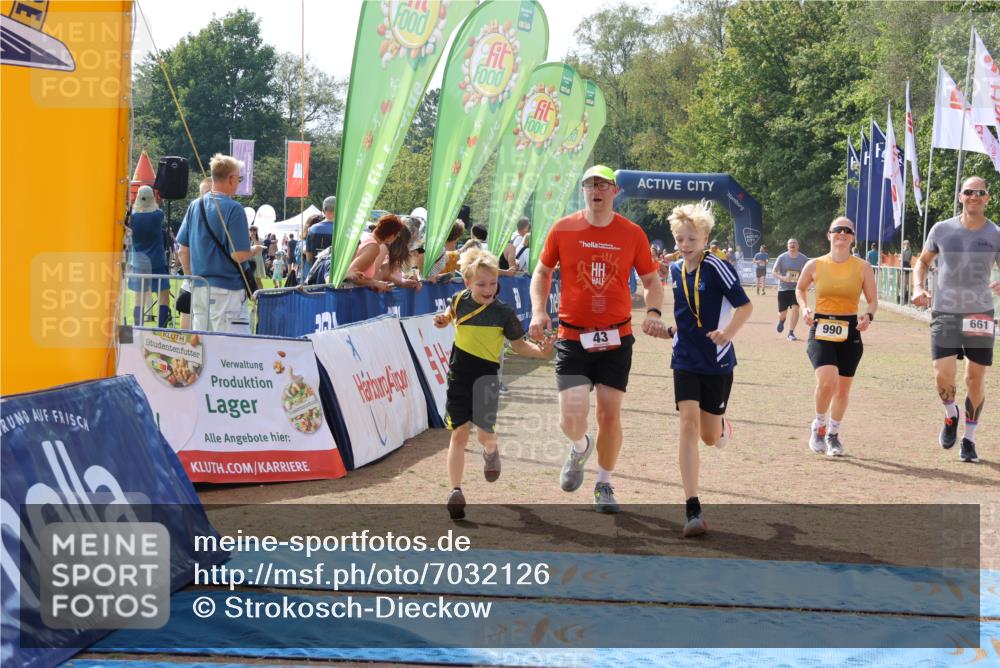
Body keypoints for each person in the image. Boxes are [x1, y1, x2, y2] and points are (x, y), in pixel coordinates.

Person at [528, 165, 666, 513]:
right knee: (570, 419)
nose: (597, 190)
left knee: (609, 415)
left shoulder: (632, 233)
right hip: (573, 338)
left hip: (616, 338)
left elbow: (651, 281)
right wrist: (537, 311)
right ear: (583, 191)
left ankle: (604, 483)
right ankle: (579, 447)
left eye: (604, 185)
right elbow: (542, 272)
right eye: (591, 185)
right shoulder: (563, 228)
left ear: (615, 192)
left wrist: (652, 313)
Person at [436, 247, 554, 520]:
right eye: (481, 284)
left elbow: (519, 345)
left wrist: (541, 353)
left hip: (487, 378)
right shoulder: (459, 301)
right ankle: (455, 490)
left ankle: (491, 451)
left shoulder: (503, 313)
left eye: (493, 283)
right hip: (459, 376)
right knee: (459, 433)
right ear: (467, 283)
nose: (489, 289)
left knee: (484, 433)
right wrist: (442, 320)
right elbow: (448, 315)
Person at [660, 201, 753, 538]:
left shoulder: (718, 267)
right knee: (686, 425)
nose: (685, 246)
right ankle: (692, 507)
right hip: (683, 358)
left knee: (709, 437)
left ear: (705, 238)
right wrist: (668, 330)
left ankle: (721, 424)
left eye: (692, 239)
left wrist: (727, 333)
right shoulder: (673, 271)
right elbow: (685, 316)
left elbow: (745, 305)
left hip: (717, 360)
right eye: (680, 239)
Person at [911, 176, 1000, 463]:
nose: (974, 196)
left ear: (987, 197)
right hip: (945, 311)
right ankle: (951, 414)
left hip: (980, 313)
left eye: (980, 192)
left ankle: (969, 439)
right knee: (942, 374)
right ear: (960, 196)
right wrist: (918, 287)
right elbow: (923, 261)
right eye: (968, 192)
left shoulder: (996, 234)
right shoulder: (942, 229)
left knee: (974, 378)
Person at [795, 217, 878, 457]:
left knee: (842, 390)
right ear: (828, 235)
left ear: (853, 237)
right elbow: (800, 289)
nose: (841, 233)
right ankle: (819, 426)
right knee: (827, 381)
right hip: (821, 325)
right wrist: (804, 308)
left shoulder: (862, 267)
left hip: (850, 329)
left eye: (847, 230)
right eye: (837, 230)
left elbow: (872, 301)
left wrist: (867, 317)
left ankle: (833, 434)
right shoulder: (815, 264)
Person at [177, 154, 264, 332]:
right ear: (231, 178)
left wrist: (192, 279)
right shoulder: (234, 209)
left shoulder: (195, 205)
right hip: (227, 291)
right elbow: (239, 255)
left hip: (200, 288)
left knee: (202, 348)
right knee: (230, 353)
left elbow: (182, 251)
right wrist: (254, 250)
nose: (239, 183)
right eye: (239, 178)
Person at [128, 185, 171, 328]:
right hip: (157, 262)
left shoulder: (132, 218)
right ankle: (161, 330)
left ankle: (138, 328)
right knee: (163, 297)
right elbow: (158, 208)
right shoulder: (158, 215)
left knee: (138, 299)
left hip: (139, 263)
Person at [345, 213, 404, 292]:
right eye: (397, 236)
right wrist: (375, 283)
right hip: (351, 295)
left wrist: (376, 283)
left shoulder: (367, 237)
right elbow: (350, 275)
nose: (396, 238)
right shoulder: (373, 248)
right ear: (391, 236)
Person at [773, 238, 809, 341]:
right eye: (790, 243)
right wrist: (783, 278)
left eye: (794, 243)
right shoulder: (782, 257)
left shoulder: (804, 259)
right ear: (787, 246)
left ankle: (791, 332)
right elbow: (774, 272)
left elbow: (808, 272)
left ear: (798, 246)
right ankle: (781, 320)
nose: (792, 244)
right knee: (782, 314)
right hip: (783, 289)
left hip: (797, 288)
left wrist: (803, 280)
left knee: (795, 309)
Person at [306, 196, 336, 272]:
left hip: (316, 272)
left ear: (323, 210)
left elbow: (309, 258)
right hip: (336, 274)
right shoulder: (343, 230)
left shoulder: (312, 229)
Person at [899, 239, 913, 305]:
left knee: (905, 283)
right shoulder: (909, 251)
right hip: (906, 265)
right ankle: (905, 297)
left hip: (905, 266)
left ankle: (905, 297)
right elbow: (909, 259)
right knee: (905, 283)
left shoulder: (905, 251)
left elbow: (902, 260)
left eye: (907, 244)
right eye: (906, 244)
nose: (907, 245)